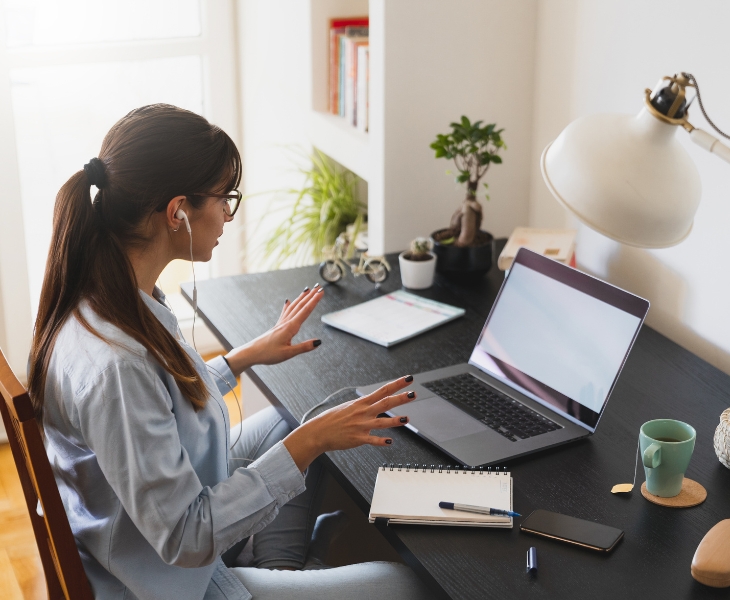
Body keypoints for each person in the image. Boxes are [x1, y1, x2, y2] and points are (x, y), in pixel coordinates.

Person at [28, 104, 432, 600]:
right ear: (178, 211)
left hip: (143, 536)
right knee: (405, 584)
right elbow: (186, 537)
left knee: (298, 417)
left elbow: (160, 397)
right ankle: (280, 569)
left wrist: (245, 357)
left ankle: (281, 568)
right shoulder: (117, 365)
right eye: (224, 199)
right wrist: (310, 444)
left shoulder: (106, 294)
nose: (226, 215)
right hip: (165, 581)